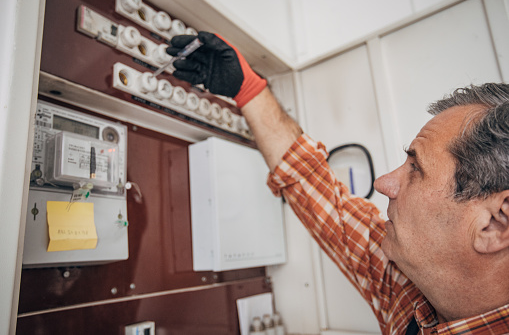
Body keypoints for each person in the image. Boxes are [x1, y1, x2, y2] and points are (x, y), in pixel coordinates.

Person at [166, 32, 509, 334]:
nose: (384, 182)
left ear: (495, 224)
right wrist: (248, 89)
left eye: (416, 168)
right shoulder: (411, 293)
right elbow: (321, 195)